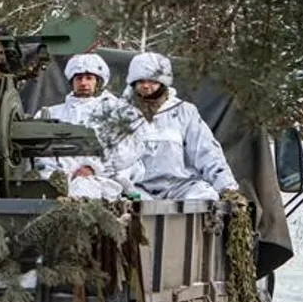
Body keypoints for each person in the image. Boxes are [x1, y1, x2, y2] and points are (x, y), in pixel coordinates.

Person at [122, 51, 239, 201]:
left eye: (152, 81)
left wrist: (226, 187)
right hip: (136, 188)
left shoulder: (184, 112)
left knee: (205, 196)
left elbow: (206, 151)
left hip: (179, 186)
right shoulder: (119, 112)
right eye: (141, 81)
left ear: (163, 82)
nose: (146, 86)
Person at [34, 53, 144, 200]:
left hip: (104, 184)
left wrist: (92, 168)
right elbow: (39, 154)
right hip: (55, 185)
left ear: (98, 81)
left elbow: (128, 152)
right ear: (71, 81)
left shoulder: (117, 111)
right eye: (78, 78)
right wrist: (61, 175)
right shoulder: (50, 113)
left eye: (89, 78)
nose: (83, 83)